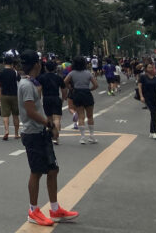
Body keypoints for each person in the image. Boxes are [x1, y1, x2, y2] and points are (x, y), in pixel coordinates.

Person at [17, 50, 78, 227]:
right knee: (36, 172)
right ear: (37, 64)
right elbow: (30, 111)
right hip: (33, 133)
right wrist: (49, 124)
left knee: (53, 170)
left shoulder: (30, 82)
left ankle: (55, 208)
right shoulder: (26, 85)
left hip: (40, 132)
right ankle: (33, 211)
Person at [66, 56, 98, 144]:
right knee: (90, 116)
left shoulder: (72, 73)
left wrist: (71, 88)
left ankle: (82, 137)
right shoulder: (88, 73)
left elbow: (64, 82)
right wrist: (90, 89)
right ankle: (92, 136)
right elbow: (96, 85)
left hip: (77, 93)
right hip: (87, 93)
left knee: (81, 116)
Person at [36, 60, 67, 144]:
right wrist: (63, 98)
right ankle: (56, 137)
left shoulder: (41, 77)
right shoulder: (58, 78)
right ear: (55, 68)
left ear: (46, 68)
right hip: (56, 97)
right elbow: (64, 89)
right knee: (57, 118)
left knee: (49, 118)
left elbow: (39, 89)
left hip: (46, 98)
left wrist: (39, 99)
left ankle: (52, 135)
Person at [0, 55, 21, 141]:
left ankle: (6, 131)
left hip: (4, 95)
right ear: (12, 63)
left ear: (3, 62)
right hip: (14, 95)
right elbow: (19, 83)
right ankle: (16, 134)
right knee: (15, 115)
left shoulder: (1, 73)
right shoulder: (15, 72)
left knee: (5, 115)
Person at [138, 63, 156, 139]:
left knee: (154, 114)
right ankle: (155, 132)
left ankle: (151, 132)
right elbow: (139, 86)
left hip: (154, 98)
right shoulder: (143, 77)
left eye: (152, 67)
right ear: (146, 69)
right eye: (149, 67)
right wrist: (141, 96)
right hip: (147, 98)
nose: (151, 69)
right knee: (153, 113)